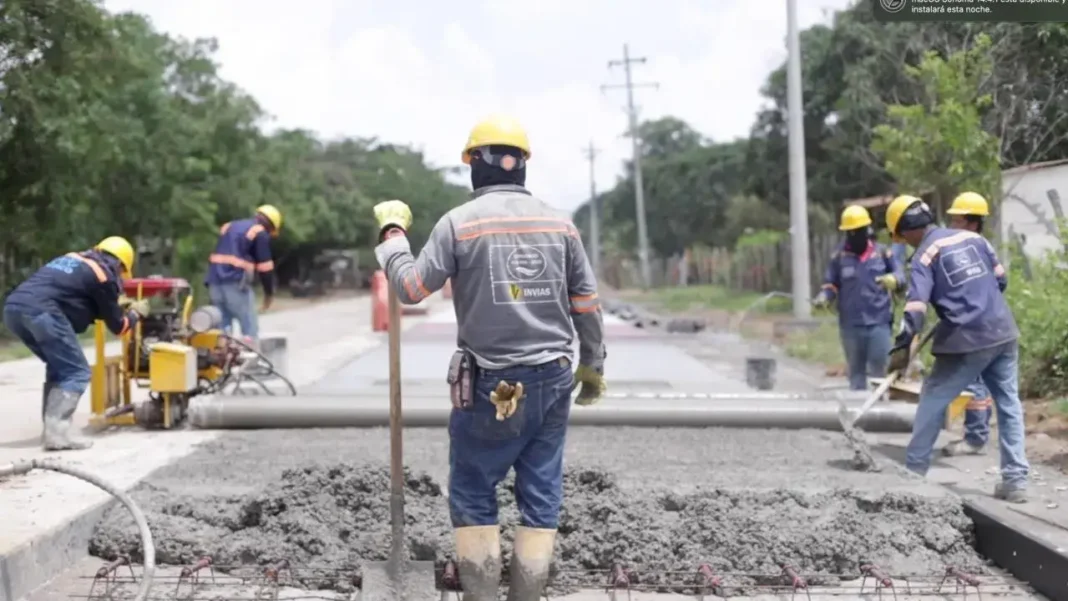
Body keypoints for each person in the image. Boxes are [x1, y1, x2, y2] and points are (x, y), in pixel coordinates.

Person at [371, 115, 607, 601]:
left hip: (491, 386)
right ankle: (527, 593)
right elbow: (585, 302)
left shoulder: (459, 223)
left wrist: (393, 238)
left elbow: (412, 288)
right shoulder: (559, 223)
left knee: (475, 484)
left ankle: (481, 594)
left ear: (473, 164)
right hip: (554, 377)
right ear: (522, 166)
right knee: (541, 487)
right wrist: (593, 367)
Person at [885, 194, 1029, 503]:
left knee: (933, 399)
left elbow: (916, 308)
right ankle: (1015, 481)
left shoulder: (924, 256)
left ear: (907, 229)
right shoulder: (974, 239)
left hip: (966, 339)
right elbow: (1000, 281)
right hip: (1003, 331)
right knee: (1008, 404)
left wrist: (904, 341)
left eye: (902, 236)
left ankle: (913, 474)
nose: (905, 242)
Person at [3, 236, 149, 451]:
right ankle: (57, 434)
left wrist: (110, 306)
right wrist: (136, 313)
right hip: (42, 312)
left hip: (13, 309)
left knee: (59, 367)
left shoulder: (74, 259)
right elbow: (120, 328)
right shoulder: (104, 276)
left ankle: (51, 431)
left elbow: (72, 295)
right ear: (120, 264)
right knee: (76, 371)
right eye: (121, 272)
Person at [813, 205, 904, 390]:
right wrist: (824, 297)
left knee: (879, 371)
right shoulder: (838, 256)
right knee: (856, 374)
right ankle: (858, 413)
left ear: (866, 230)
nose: (854, 236)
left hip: (879, 322)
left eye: (858, 231)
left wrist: (893, 280)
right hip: (850, 325)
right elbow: (830, 283)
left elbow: (900, 275)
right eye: (850, 232)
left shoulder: (882, 253)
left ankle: (879, 414)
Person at [942, 192, 997, 456]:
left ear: (972, 223)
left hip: (973, 326)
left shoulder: (968, 250)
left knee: (973, 381)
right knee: (981, 382)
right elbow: (1002, 281)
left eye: (957, 220)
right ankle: (978, 435)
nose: (952, 225)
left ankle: (975, 439)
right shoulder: (985, 247)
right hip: (990, 323)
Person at [205, 205, 282, 341]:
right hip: (236, 285)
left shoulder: (229, 226)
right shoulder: (259, 232)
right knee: (249, 332)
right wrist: (268, 294)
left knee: (221, 334)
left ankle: (221, 360)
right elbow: (265, 268)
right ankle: (250, 359)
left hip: (214, 282)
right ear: (270, 226)